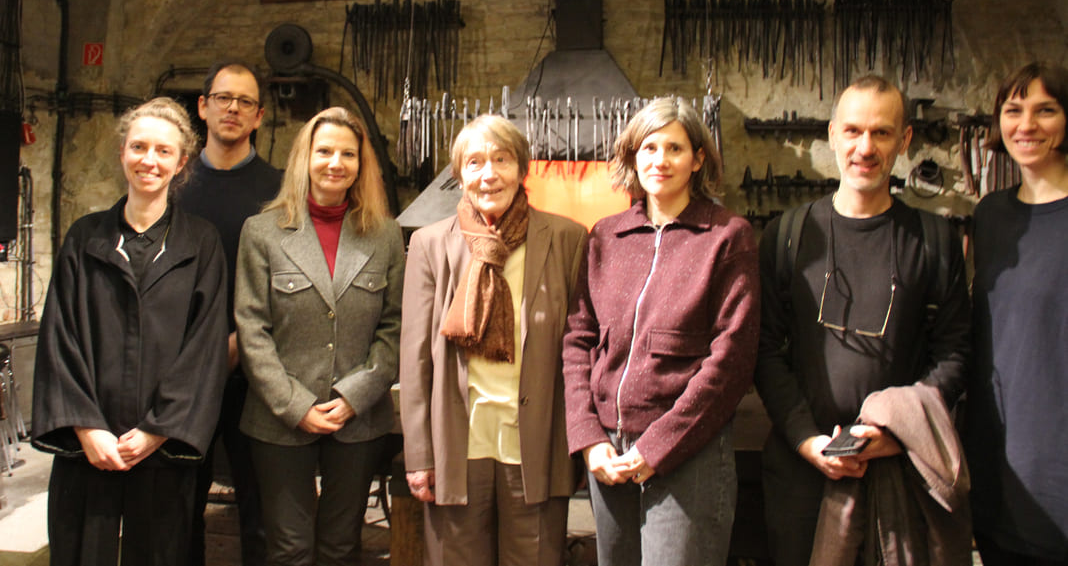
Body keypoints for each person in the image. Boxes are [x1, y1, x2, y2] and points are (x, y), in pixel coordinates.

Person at [754, 75, 972, 566]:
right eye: (852, 131)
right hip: (801, 474)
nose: (865, 148)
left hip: (899, 473)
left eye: (881, 133)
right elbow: (764, 350)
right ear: (832, 135)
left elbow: (955, 353)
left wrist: (898, 435)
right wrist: (807, 439)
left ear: (906, 140)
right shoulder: (787, 237)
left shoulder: (934, 241)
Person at [561, 97, 761, 566]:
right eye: (648, 147)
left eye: (674, 148)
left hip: (689, 451)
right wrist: (589, 439)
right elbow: (577, 341)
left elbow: (732, 359)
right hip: (609, 453)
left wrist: (658, 445)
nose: (660, 160)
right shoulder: (605, 237)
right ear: (632, 157)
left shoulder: (727, 236)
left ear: (698, 158)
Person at [32, 97, 229, 566]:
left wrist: (158, 430)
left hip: (159, 447)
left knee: (163, 552)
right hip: (90, 445)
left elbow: (204, 349)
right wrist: (86, 427)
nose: (149, 160)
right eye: (139, 147)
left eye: (163, 151)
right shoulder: (85, 238)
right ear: (122, 151)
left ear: (181, 163)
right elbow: (60, 336)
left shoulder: (200, 244)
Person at [399, 114, 588, 566]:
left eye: (501, 159)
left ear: (522, 167)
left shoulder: (567, 239)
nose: (489, 174)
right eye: (475, 162)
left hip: (538, 445)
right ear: (459, 174)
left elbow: (582, 350)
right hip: (456, 446)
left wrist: (579, 444)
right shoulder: (430, 245)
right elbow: (415, 360)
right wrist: (419, 455)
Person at [233, 106, 404, 566]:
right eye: (324, 150)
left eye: (348, 154)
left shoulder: (385, 235)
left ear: (361, 164)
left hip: (359, 419)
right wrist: (296, 405)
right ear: (304, 158)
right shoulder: (262, 232)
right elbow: (252, 329)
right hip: (279, 417)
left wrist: (355, 395)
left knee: (341, 545)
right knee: (289, 548)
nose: (336, 162)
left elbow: (394, 325)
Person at [178, 61, 282, 566]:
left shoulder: (281, 191)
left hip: (257, 371)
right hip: (181, 373)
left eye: (244, 102)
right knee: (181, 510)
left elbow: (285, 280)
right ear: (203, 107)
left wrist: (242, 342)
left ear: (259, 116)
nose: (232, 109)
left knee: (260, 512)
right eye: (223, 98)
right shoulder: (172, 185)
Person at [967, 62, 1068, 566]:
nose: (1026, 124)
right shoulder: (990, 215)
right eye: (1014, 110)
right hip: (999, 460)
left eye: (1045, 110)